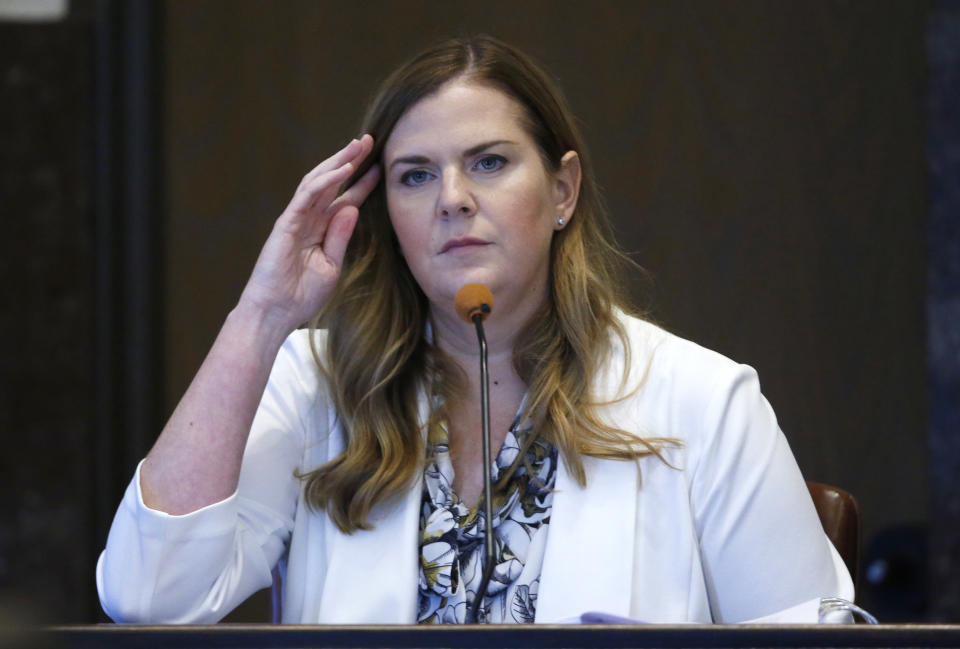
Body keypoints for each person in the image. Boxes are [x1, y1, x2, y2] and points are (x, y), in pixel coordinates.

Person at [96, 35, 854, 625]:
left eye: (488, 163)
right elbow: (149, 594)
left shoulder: (703, 399)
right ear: (386, 214)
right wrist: (261, 315)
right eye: (415, 174)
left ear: (563, 189)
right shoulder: (315, 386)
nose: (452, 198)